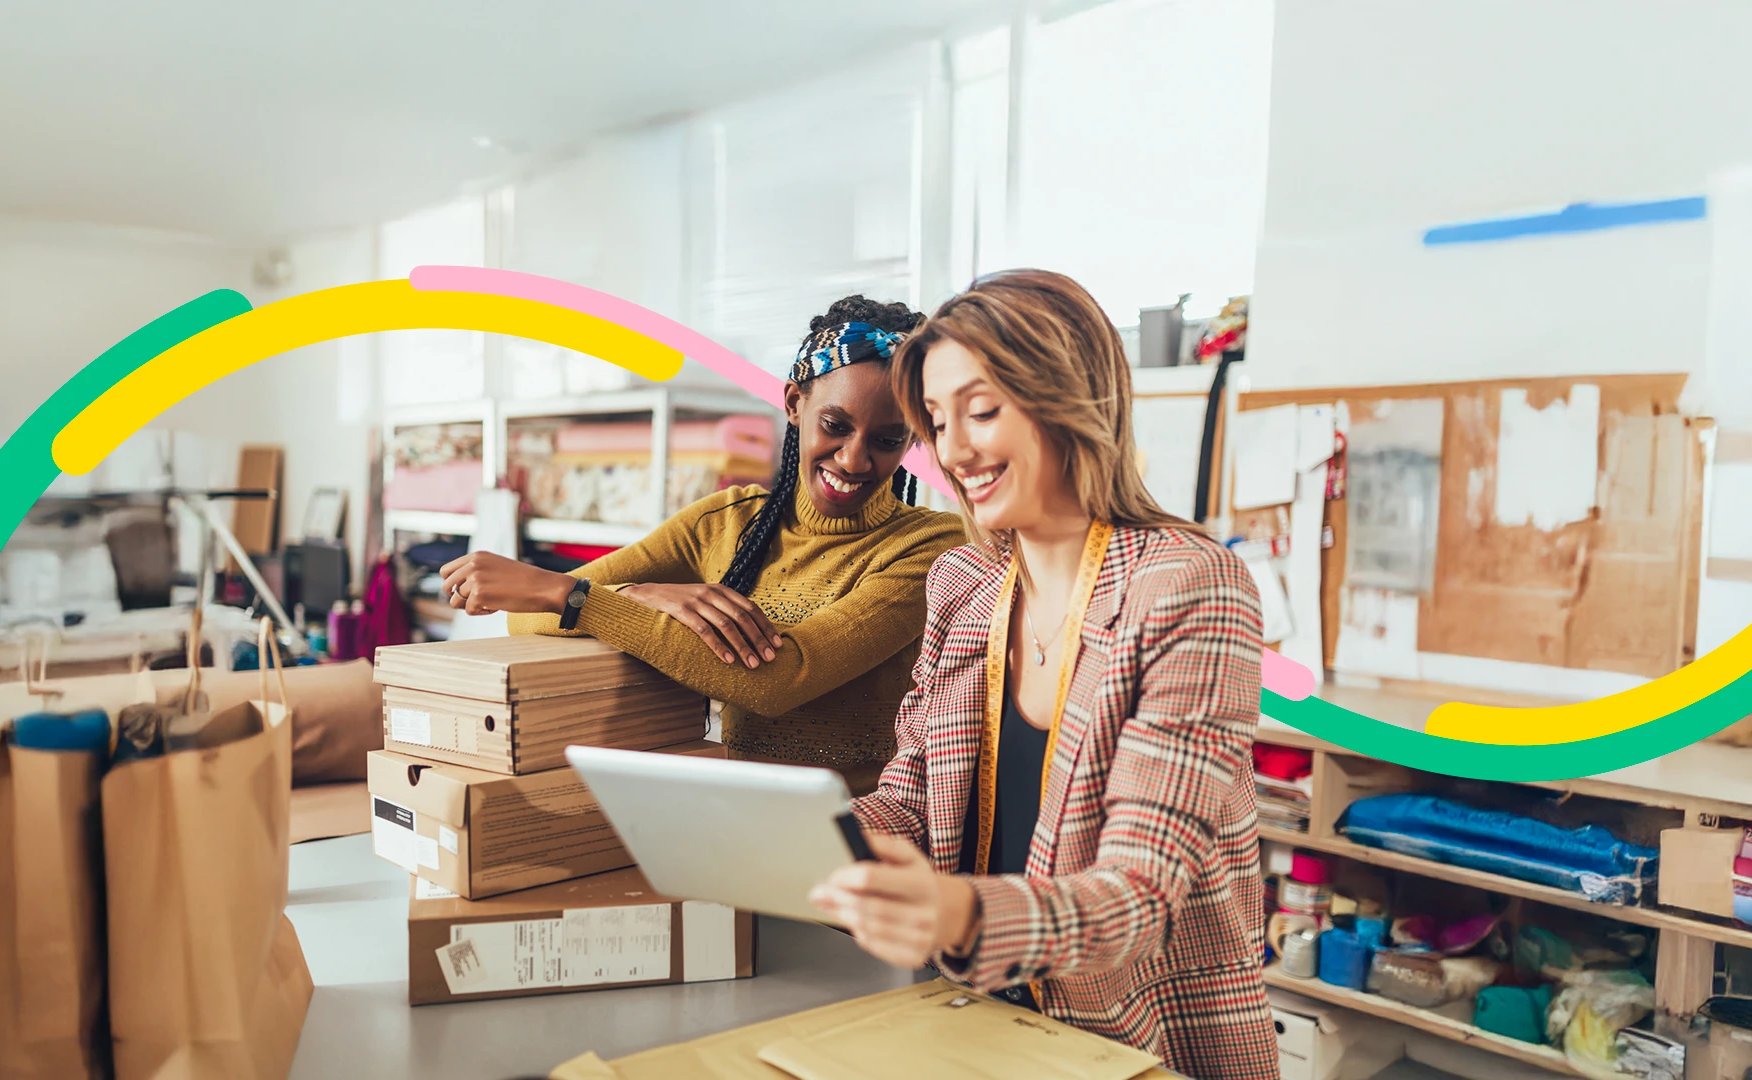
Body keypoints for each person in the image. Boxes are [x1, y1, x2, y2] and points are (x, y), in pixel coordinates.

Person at [808, 270, 1278, 1077]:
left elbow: (1138, 895)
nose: (955, 450)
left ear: (1067, 397)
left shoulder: (1188, 586)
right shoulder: (964, 585)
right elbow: (913, 798)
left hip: (1144, 1043)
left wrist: (956, 913)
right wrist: (823, 843)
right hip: (979, 1022)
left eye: (982, 411)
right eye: (939, 421)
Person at [438, 297, 965, 793]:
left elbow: (782, 678)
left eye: (887, 439)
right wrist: (639, 593)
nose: (853, 459)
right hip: (731, 823)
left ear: (913, 439)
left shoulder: (930, 548)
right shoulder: (727, 521)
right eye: (835, 425)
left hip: (862, 841)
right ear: (794, 403)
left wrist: (581, 598)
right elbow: (527, 615)